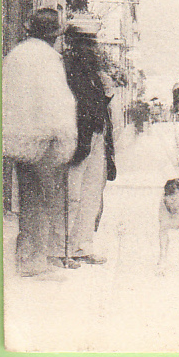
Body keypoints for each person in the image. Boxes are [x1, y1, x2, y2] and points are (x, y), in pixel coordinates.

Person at [2, 8, 77, 278]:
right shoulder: (48, 59)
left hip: (20, 140)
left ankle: (25, 258)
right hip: (45, 140)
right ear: (53, 34)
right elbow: (57, 103)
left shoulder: (15, 55)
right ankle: (36, 262)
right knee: (45, 201)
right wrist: (66, 138)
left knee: (27, 200)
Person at [63, 16, 116, 266]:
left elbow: (98, 107)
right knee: (71, 196)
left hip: (96, 139)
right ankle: (62, 250)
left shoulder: (95, 73)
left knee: (92, 195)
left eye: (92, 44)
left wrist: (108, 94)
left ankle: (82, 247)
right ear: (72, 44)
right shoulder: (66, 70)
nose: (90, 49)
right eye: (84, 43)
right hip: (77, 141)